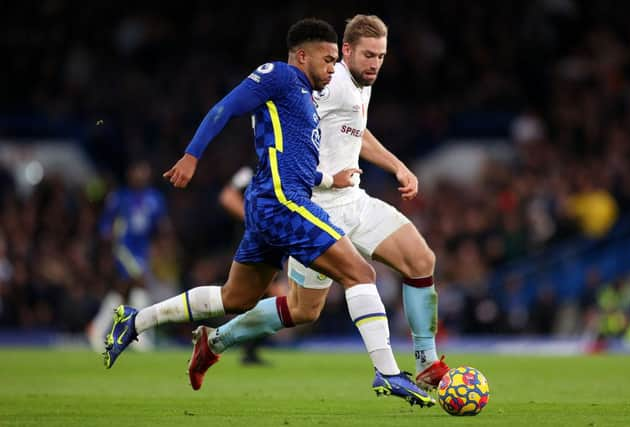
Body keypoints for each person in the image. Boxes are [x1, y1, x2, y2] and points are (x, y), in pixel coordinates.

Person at [103, 18, 434, 407]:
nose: (332, 70)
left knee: (235, 298)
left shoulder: (308, 102)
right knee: (360, 273)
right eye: (327, 60)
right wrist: (192, 154)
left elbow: (295, 162)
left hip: (271, 203)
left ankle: (135, 320)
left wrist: (332, 178)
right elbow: (225, 107)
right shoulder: (278, 76)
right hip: (284, 203)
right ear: (301, 55)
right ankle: (388, 372)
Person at [188, 14, 449, 391]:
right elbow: (282, 109)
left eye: (381, 56)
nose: (376, 63)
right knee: (302, 310)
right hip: (314, 207)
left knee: (421, 260)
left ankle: (426, 363)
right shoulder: (327, 82)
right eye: (368, 55)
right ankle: (214, 342)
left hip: (353, 200)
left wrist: (397, 166)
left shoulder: (362, 85)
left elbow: (356, 130)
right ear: (346, 51)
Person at [87, 159, 170, 351]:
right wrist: (108, 248)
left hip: (142, 250)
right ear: (129, 174)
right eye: (137, 170)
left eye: (143, 170)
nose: (140, 174)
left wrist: (162, 247)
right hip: (124, 248)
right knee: (139, 283)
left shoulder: (155, 198)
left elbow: (162, 227)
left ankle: (98, 329)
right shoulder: (119, 197)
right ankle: (138, 335)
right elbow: (106, 226)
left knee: (124, 290)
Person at [218, 165, 286, 364]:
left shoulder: (281, 175)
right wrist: (252, 218)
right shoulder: (248, 173)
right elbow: (227, 196)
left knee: (264, 299)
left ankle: (248, 349)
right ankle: (221, 338)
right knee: (247, 298)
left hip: (270, 247)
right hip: (247, 247)